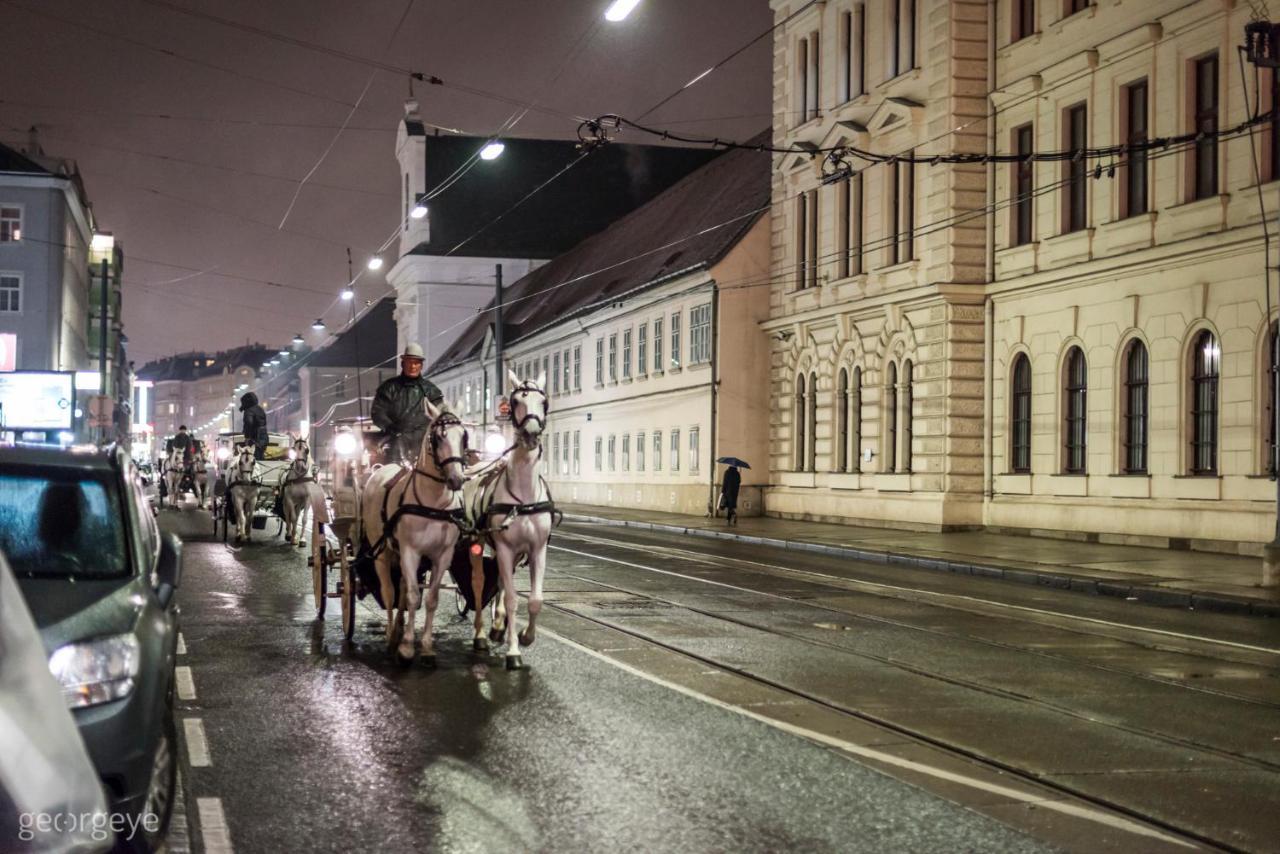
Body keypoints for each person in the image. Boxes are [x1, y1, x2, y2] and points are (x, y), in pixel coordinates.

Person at [371, 342, 445, 462]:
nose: (413, 366)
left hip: (424, 440)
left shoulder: (432, 391)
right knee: (391, 468)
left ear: (421, 365)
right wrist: (391, 428)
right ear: (403, 363)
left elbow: (440, 415)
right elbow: (378, 412)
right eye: (409, 362)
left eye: (416, 363)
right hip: (395, 439)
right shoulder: (389, 388)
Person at [239, 392, 268, 461]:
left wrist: (247, 437)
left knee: (251, 458)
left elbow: (249, 423)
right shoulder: (260, 409)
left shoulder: (248, 411)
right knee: (260, 456)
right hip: (264, 436)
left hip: (255, 437)